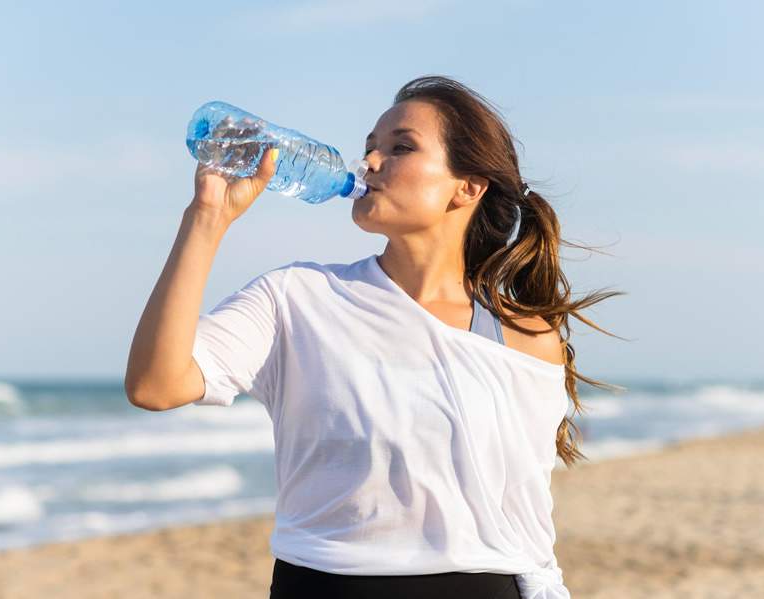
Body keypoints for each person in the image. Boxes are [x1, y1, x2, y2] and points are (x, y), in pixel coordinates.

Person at [125, 75, 624, 599]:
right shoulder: (297, 297)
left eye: (400, 148)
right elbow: (155, 386)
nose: (370, 163)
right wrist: (206, 219)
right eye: (369, 149)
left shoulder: (524, 335)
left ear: (469, 186)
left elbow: (526, 525)